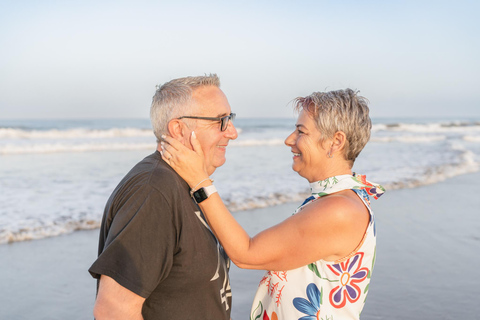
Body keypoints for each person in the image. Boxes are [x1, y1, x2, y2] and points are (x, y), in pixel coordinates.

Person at [161, 88, 385, 320]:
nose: (289, 140)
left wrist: (200, 182)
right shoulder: (337, 201)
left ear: (335, 141)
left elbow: (246, 254)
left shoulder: (339, 210)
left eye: (301, 131)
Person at [88, 74, 238, 319]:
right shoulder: (154, 191)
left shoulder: (189, 184)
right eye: (220, 121)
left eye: (230, 119)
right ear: (178, 129)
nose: (232, 133)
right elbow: (113, 310)